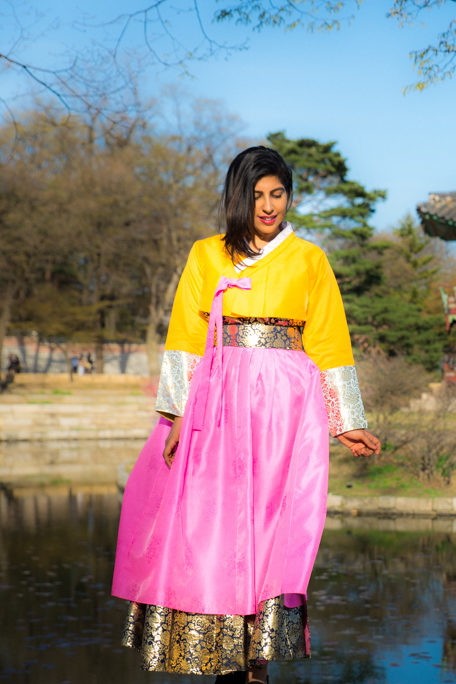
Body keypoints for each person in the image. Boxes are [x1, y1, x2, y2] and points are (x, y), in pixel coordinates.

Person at [112, 146, 380, 683]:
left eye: (277, 193)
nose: (268, 205)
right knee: (210, 525)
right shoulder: (207, 254)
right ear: (238, 197)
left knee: (273, 525)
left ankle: (255, 659)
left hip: (286, 406)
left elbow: (328, 340)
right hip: (218, 402)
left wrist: (346, 418)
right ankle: (221, 652)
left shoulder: (309, 259)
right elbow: (186, 340)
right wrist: (176, 418)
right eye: (256, 195)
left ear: (289, 196)